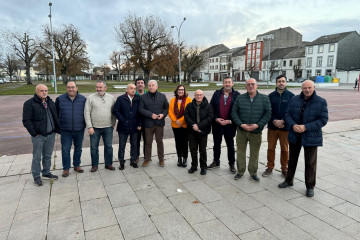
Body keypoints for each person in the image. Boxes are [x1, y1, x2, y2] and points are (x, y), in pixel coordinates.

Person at [278, 80, 328, 197]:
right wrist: (293, 125)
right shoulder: (294, 99)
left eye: (309, 88)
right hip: (295, 134)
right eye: (305, 88)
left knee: (310, 162)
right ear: (301, 88)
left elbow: (323, 119)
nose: (307, 90)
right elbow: (287, 114)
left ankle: (310, 186)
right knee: (292, 159)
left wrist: (306, 127)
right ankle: (289, 180)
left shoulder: (321, 102)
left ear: (314, 87)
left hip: (311, 136)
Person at [231, 78, 271, 181]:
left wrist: (258, 125)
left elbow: (268, 114)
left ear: (257, 85)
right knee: (240, 152)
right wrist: (241, 124)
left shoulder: (264, 98)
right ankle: (240, 171)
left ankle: (253, 172)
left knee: (254, 153)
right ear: (246, 87)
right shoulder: (240, 98)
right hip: (242, 131)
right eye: (248, 84)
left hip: (256, 132)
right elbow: (234, 113)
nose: (250, 86)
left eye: (252, 84)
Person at [22, 84, 60, 186]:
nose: (44, 92)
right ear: (36, 91)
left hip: (51, 134)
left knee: (47, 155)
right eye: (41, 90)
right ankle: (36, 176)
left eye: (46, 90)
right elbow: (26, 120)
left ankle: (46, 172)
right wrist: (34, 133)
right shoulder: (29, 103)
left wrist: (57, 129)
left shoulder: (50, 102)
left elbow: (55, 116)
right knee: (37, 157)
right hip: (39, 136)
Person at [262, 75, 294, 177]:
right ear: (276, 83)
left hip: (285, 128)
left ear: (286, 83)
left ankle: (284, 168)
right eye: (279, 81)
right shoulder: (270, 96)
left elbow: (293, 112)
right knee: (271, 148)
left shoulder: (291, 96)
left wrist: (284, 121)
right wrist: (274, 120)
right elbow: (267, 111)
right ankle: (270, 167)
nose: (281, 83)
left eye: (283, 81)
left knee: (285, 149)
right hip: (272, 127)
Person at [207, 76, 240, 173]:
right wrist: (216, 118)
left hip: (230, 125)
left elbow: (239, 110)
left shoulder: (237, 95)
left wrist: (231, 121)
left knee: (230, 145)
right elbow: (211, 108)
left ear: (232, 83)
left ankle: (231, 163)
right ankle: (216, 161)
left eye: (229, 82)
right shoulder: (217, 93)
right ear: (223, 84)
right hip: (217, 124)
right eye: (225, 82)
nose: (227, 84)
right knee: (216, 144)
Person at [55, 81, 86, 177]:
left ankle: (76, 165)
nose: (71, 89)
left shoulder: (83, 99)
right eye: (69, 87)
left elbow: (86, 113)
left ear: (76, 88)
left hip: (79, 129)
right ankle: (66, 168)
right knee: (65, 150)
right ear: (66, 88)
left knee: (78, 149)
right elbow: (55, 114)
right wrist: (58, 127)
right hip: (65, 130)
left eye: (73, 87)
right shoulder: (60, 99)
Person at [84, 80, 116, 172]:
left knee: (108, 146)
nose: (98, 89)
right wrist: (89, 126)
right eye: (97, 87)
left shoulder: (111, 98)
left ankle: (108, 164)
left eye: (100, 87)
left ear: (105, 88)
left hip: (108, 127)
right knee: (94, 147)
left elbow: (114, 112)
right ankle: (94, 165)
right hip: (95, 128)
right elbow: (86, 113)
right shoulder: (90, 98)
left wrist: (113, 123)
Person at [138, 80, 169, 167]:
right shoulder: (143, 97)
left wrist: (163, 114)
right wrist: (151, 115)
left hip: (159, 123)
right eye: (149, 85)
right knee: (148, 142)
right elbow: (140, 109)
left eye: (153, 85)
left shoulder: (162, 96)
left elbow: (167, 108)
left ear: (156, 86)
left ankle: (161, 159)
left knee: (160, 142)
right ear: (147, 87)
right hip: (148, 124)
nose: (151, 87)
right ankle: (147, 159)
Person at [184, 89, 214, 175]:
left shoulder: (208, 106)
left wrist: (199, 126)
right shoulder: (189, 105)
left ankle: (203, 167)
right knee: (193, 150)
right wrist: (193, 125)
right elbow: (186, 116)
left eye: (200, 95)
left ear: (203, 96)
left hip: (203, 131)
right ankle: (194, 166)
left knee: (202, 150)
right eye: (197, 95)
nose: (199, 96)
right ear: (194, 95)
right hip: (192, 131)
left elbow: (210, 118)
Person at [113, 83, 142, 170]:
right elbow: (115, 111)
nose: (133, 90)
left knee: (134, 145)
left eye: (134, 88)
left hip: (135, 126)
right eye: (131, 88)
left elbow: (140, 112)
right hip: (123, 126)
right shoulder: (121, 99)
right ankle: (121, 162)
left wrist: (140, 124)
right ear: (127, 90)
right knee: (122, 146)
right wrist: (122, 120)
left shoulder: (138, 99)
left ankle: (133, 160)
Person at [168, 85, 192, 167]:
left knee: (185, 142)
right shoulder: (173, 100)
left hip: (185, 125)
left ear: (184, 91)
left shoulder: (189, 100)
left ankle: (185, 158)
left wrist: (181, 120)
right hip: (175, 125)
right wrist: (176, 120)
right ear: (177, 90)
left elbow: (189, 112)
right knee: (178, 142)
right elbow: (170, 112)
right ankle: (179, 158)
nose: (181, 91)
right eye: (179, 89)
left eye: (182, 89)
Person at [135, 76, 147, 163]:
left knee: (147, 141)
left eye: (141, 83)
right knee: (136, 141)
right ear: (136, 85)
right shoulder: (133, 95)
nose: (140, 84)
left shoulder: (148, 95)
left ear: (144, 85)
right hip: (136, 122)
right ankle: (136, 157)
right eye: (138, 83)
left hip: (146, 122)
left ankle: (147, 156)